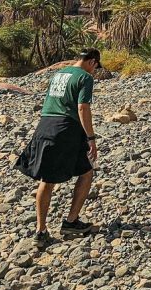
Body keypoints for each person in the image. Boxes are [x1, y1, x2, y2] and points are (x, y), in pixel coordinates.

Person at [15, 48, 102, 245]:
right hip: (66, 129)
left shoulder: (58, 74)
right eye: (96, 67)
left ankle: (51, 228)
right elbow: (82, 107)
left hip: (45, 125)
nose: (94, 71)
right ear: (92, 62)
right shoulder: (85, 78)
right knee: (59, 178)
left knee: (82, 172)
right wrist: (91, 137)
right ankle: (58, 225)